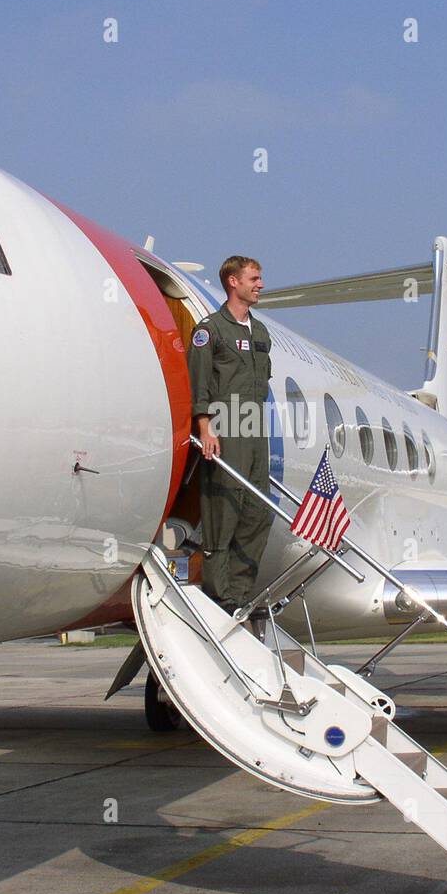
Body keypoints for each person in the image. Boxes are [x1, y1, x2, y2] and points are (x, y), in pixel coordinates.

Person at [187, 256, 275, 621]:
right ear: (232, 282)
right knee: (224, 511)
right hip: (226, 426)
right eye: (254, 278)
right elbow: (200, 381)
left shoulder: (261, 333)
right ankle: (219, 597)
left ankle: (239, 594)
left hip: (255, 427)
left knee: (259, 511)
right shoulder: (211, 330)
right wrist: (206, 428)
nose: (260, 284)